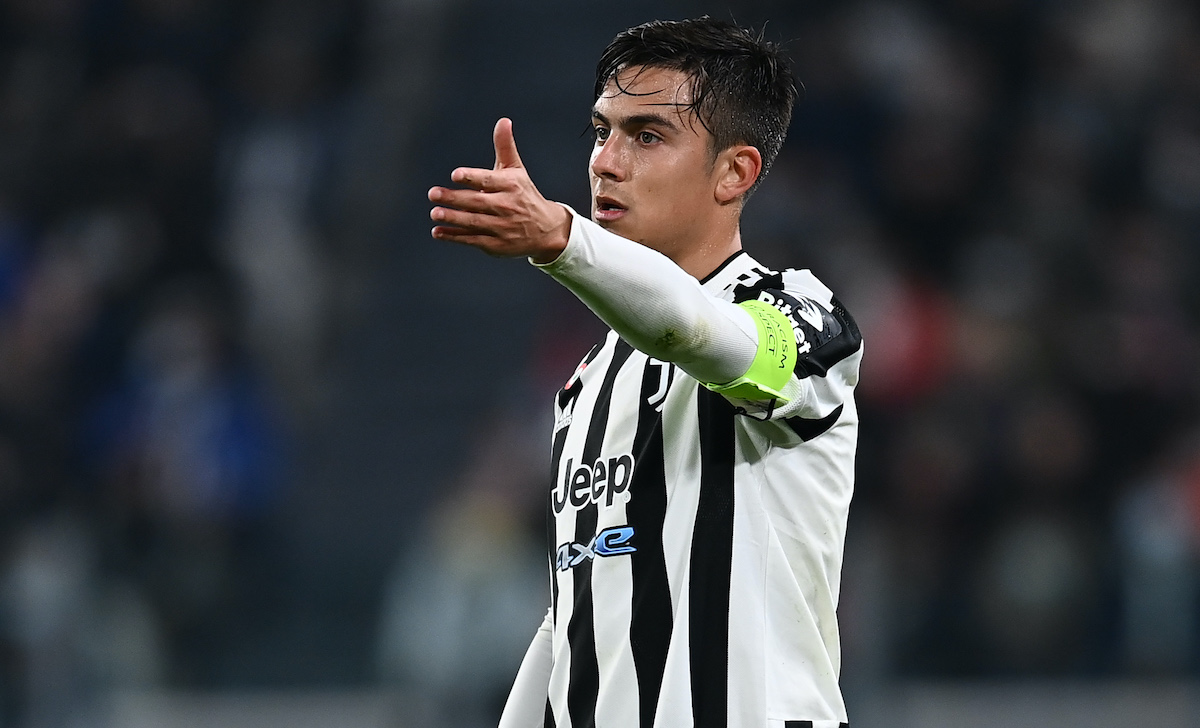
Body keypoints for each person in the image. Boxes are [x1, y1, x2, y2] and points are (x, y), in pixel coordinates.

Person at [428, 17, 862, 728]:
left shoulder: (802, 316)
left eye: (647, 136)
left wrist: (563, 240)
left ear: (735, 172)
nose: (605, 161)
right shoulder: (587, 384)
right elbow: (574, 610)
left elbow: (705, 336)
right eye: (602, 132)